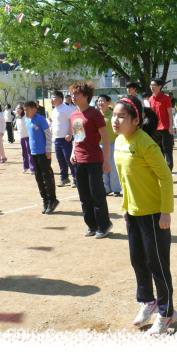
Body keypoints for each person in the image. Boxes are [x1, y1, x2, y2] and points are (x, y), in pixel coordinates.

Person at [112, 95, 177, 337]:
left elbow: (166, 177)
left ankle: (167, 312)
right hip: (133, 212)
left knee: (157, 265)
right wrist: (125, 205)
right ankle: (147, 301)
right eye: (114, 115)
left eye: (121, 116)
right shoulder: (120, 141)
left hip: (153, 214)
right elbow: (125, 178)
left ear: (136, 120)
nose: (115, 120)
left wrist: (165, 212)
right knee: (138, 260)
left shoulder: (145, 143)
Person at [69, 82, 113, 239]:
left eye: (77, 94)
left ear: (86, 96)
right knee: (84, 195)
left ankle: (104, 224)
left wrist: (106, 160)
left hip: (94, 159)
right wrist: (73, 152)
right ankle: (92, 225)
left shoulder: (95, 114)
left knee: (97, 194)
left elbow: (106, 137)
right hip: (79, 160)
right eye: (72, 94)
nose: (73, 96)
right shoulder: (73, 115)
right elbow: (77, 136)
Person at [23, 100, 60, 214]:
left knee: (47, 177)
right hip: (34, 153)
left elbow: (48, 135)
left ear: (34, 110)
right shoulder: (27, 120)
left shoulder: (40, 119)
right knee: (38, 178)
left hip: (43, 153)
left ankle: (52, 200)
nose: (25, 113)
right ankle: (45, 200)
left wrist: (48, 150)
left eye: (27, 110)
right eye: (24, 110)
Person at [97, 94, 122, 197]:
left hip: (112, 144)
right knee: (102, 168)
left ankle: (116, 189)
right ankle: (106, 188)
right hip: (99, 145)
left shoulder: (113, 115)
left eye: (103, 101)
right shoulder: (96, 115)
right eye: (99, 101)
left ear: (108, 102)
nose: (100, 103)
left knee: (113, 167)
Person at [50, 91, 77, 188]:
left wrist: (70, 134)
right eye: (51, 97)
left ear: (60, 99)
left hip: (66, 139)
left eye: (54, 97)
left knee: (69, 159)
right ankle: (64, 178)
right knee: (60, 159)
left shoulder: (66, 109)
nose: (51, 100)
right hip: (57, 139)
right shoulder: (54, 110)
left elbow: (72, 120)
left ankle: (75, 178)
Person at [149, 79, 174, 171]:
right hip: (155, 129)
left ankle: (169, 171)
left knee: (167, 151)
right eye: (151, 85)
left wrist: (171, 126)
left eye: (154, 85)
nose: (152, 87)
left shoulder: (166, 98)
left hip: (165, 129)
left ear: (160, 86)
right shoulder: (151, 99)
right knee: (158, 152)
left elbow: (170, 113)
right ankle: (161, 171)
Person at [14, 103, 35, 173]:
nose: (17, 110)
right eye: (16, 108)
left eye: (18, 108)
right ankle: (25, 166)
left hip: (27, 136)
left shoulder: (26, 118)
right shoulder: (17, 118)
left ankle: (32, 167)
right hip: (21, 137)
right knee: (24, 152)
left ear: (22, 110)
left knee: (29, 152)